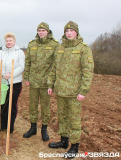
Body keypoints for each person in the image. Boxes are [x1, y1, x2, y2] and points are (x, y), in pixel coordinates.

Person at [47, 21, 94, 159]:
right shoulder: (60, 48)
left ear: (76, 32)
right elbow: (54, 68)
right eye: (67, 31)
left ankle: (74, 147)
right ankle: (63, 141)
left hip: (74, 93)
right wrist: (50, 85)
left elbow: (88, 72)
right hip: (61, 90)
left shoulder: (84, 49)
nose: (69, 33)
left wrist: (83, 91)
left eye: (71, 31)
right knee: (62, 117)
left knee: (74, 120)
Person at [23, 22, 59, 141]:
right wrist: (26, 77)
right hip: (33, 81)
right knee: (32, 106)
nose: (41, 32)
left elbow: (55, 65)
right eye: (39, 30)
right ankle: (33, 128)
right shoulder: (32, 44)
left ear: (48, 32)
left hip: (46, 83)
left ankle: (44, 130)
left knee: (45, 107)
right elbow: (28, 62)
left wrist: (51, 82)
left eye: (43, 30)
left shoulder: (54, 45)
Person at [0, 32, 25, 134]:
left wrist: (11, 74)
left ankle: (10, 126)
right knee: (3, 104)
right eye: (7, 40)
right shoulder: (0, 53)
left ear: (14, 41)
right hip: (3, 83)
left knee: (12, 104)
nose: (9, 42)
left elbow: (21, 67)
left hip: (15, 83)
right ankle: (2, 124)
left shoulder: (19, 53)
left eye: (10, 40)